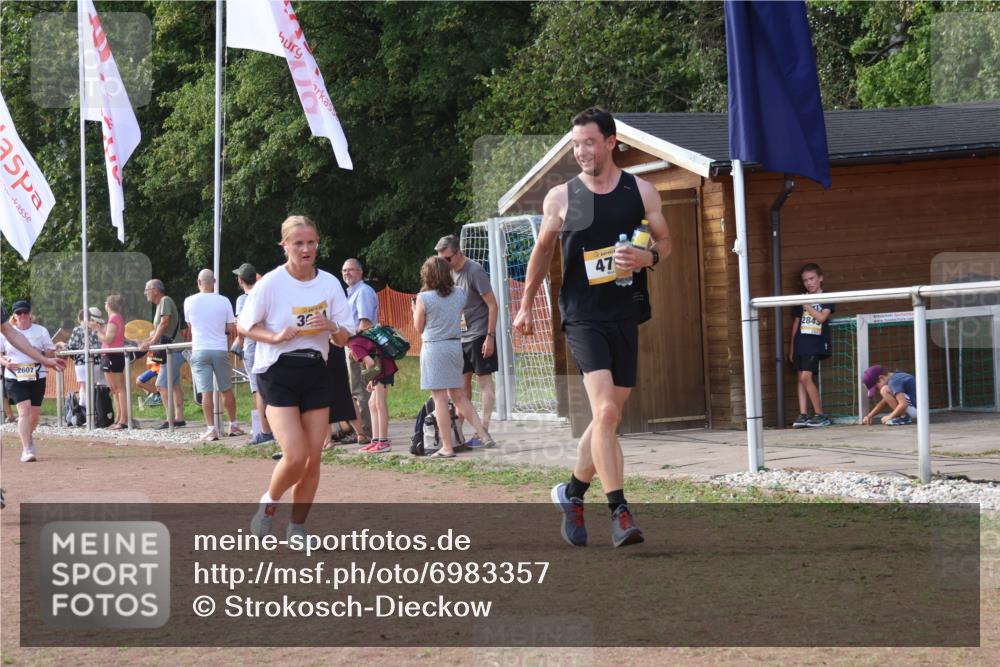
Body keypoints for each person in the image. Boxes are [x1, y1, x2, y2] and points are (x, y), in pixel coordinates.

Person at [512, 107, 670, 548]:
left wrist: (648, 258)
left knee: (608, 418)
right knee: (605, 414)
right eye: (575, 144)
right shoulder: (561, 198)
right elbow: (542, 253)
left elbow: (665, 241)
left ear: (611, 142)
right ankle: (619, 510)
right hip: (582, 315)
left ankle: (572, 492)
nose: (581, 151)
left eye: (589, 142)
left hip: (626, 312)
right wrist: (525, 306)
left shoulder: (641, 191)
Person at [237, 215, 354, 542]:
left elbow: (345, 337)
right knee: (296, 454)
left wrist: (331, 326)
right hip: (278, 372)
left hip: (317, 369)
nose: (306, 249)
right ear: (285, 245)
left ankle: (297, 528)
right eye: (298, 243)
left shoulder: (329, 283)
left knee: (313, 457)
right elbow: (244, 325)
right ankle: (268, 505)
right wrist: (274, 337)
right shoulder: (271, 283)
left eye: (311, 242)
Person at [413, 256, 496, 459]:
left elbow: (419, 327)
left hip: (434, 348)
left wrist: (414, 310)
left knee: (440, 398)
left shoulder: (424, 298)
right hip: (454, 346)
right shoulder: (459, 293)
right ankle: (484, 435)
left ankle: (447, 447)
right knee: (458, 395)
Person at [435, 235, 498, 447]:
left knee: (484, 382)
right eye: (440, 259)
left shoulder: (475, 271)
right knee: (460, 387)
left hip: (479, 334)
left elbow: (492, 305)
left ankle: (484, 430)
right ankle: (458, 431)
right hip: (459, 337)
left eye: (447, 259)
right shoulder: (447, 273)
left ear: (458, 252)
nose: (444, 264)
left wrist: (489, 337)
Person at [184, 269, 244, 441]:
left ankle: (211, 429)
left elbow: (190, 326)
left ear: (198, 281)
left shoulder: (189, 301)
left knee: (206, 392)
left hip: (200, 349)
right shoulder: (224, 301)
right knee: (226, 389)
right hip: (219, 349)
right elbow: (232, 328)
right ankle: (233, 425)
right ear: (214, 281)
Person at [0, 301, 56, 461]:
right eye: (19, 313)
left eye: (25, 312)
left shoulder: (41, 331)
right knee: (24, 411)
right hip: (14, 376)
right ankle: (26, 449)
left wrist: (44, 354)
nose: (23, 316)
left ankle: (28, 438)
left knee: (34, 416)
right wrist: (6, 363)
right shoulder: (5, 331)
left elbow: (50, 353)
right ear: (13, 316)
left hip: (37, 374)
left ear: (30, 314)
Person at [787, 263, 834, 428]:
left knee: (806, 377)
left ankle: (820, 414)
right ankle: (803, 414)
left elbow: (822, 318)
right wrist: (792, 347)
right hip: (801, 342)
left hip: (815, 343)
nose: (809, 283)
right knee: (800, 378)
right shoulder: (800, 298)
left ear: (820, 278)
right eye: (805, 280)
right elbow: (796, 323)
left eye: (812, 279)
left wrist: (808, 306)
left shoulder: (826, 297)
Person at [232, 263, 273, 445]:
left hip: (252, 345)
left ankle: (265, 431)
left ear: (241, 280)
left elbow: (242, 326)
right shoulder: (265, 295)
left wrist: (239, 343)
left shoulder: (242, 300)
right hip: (268, 343)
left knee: (257, 389)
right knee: (271, 385)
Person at [139, 279, 187, 429]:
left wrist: (151, 341)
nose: (145, 293)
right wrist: (145, 341)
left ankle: (170, 419)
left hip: (172, 350)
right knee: (174, 384)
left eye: (147, 289)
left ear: (155, 290)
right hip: (172, 350)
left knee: (161, 384)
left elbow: (165, 323)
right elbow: (159, 330)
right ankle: (179, 418)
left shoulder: (165, 300)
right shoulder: (162, 304)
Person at [341, 258, 378, 445]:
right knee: (359, 390)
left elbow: (364, 324)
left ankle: (365, 432)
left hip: (360, 348)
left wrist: (354, 347)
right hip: (356, 347)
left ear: (360, 272)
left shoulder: (362, 292)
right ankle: (364, 430)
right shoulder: (352, 293)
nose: (347, 273)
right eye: (344, 270)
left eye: (351, 270)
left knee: (361, 390)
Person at [346, 332, 398, 453]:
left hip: (383, 369)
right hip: (380, 369)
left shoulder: (353, 344)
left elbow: (370, 363)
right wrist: (372, 380)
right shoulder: (355, 340)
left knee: (379, 404)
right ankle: (375, 440)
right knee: (371, 403)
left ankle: (383, 442)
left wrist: (370, 379)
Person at [91, 295, 130, 430]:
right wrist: (100, 328)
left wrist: (97, 331)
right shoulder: (115, 319)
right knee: (115, 389)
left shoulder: (114, 318)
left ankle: (123, 420)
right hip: (111, 355)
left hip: (112, 356)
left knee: (118, 389)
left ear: (108, 305)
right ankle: (120, 418)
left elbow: (108, 339)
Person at [61, 307, 105, 410]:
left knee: (84, 388)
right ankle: (95, 412)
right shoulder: (96, 328)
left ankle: (86, 413)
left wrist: (62, 344)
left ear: (78, 317)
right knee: (92, 388)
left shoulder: (78, 329)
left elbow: (71, 346)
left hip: (82, 363)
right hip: (97, 362)